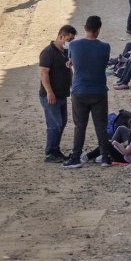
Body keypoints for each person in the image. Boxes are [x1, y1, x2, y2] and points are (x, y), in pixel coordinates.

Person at [63, 16, 112, 168]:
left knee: (80, 126)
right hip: (99, 90)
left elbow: (72, 61)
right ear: (98, 30)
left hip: (80, 90)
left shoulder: (74, 45)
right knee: (101, 126)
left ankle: (76, 157)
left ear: (85, 28)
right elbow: (102, 63)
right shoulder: (105, 47)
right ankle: (105, 157)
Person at [39, 24, 77, 162]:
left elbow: (69, 72)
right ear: (61, 36)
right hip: (51, 95)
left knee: (62, 123)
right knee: (54, 124)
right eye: (69, 39)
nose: (70, 42)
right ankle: (50, 153)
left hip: (62, 95)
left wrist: (73, 88)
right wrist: (49, 92)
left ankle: (55, 150)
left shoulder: (65, 53)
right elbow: (44, 73)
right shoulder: (48, 52)